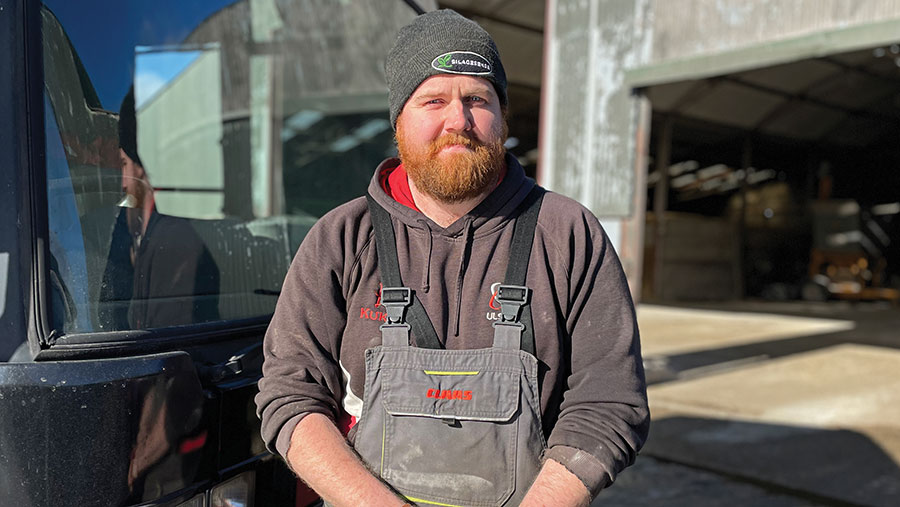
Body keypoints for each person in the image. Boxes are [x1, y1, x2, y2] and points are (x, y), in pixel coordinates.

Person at [256, 9, 648, 507]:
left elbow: (609, 402)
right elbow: (290, 394)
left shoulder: (568, 234)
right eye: (433, 100)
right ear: (399, 120)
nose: (457, 121)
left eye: (477, 99)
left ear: (503, 117)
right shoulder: (341, 238)